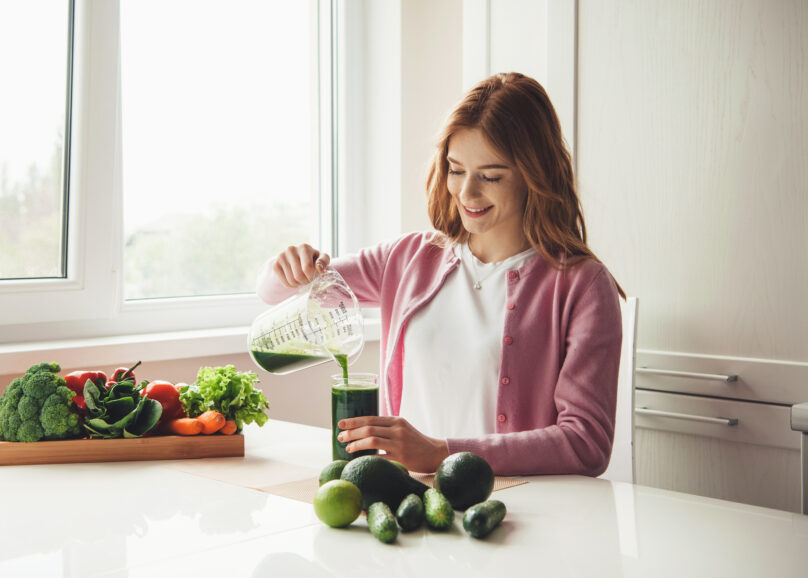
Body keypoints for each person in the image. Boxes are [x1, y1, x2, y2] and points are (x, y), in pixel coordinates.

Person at [256, 73, 623, 476]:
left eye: (491, 176)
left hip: (511, 512)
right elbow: (273, 296)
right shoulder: (409, 258)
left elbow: (587, 443)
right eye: (455, 169)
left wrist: (441, 452)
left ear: (535, 174)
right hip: (408, 506)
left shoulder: (581, 286)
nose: (467, 193)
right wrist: (288, 266)